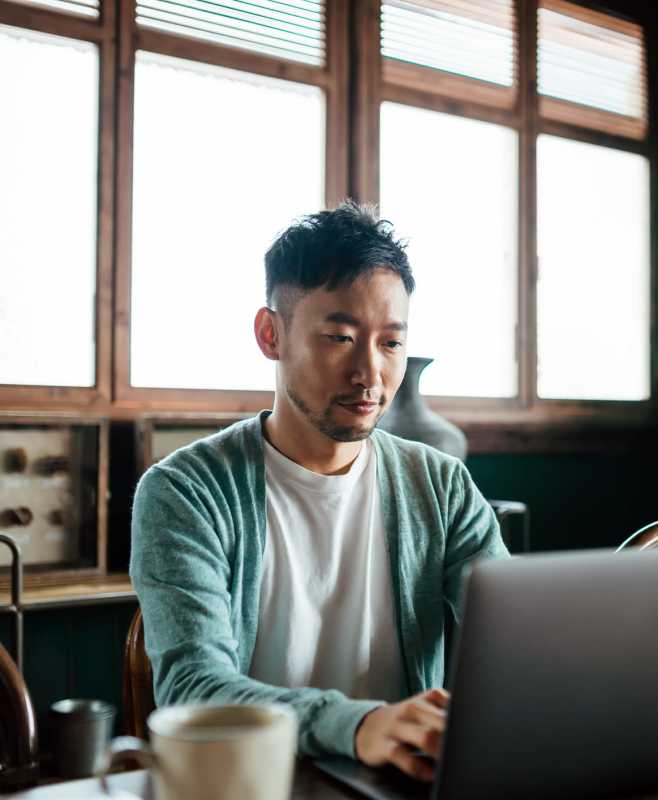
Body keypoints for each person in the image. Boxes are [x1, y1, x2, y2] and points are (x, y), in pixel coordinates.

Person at [130, 201, 509, 782]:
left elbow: (515, 639)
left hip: (401, 783)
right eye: (340, 337)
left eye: (390, 344)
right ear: (270, 334)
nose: (370, 374)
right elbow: (193, 687)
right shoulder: (184, 492)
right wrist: (359, 727)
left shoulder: (440, 484)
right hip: (254, 784)